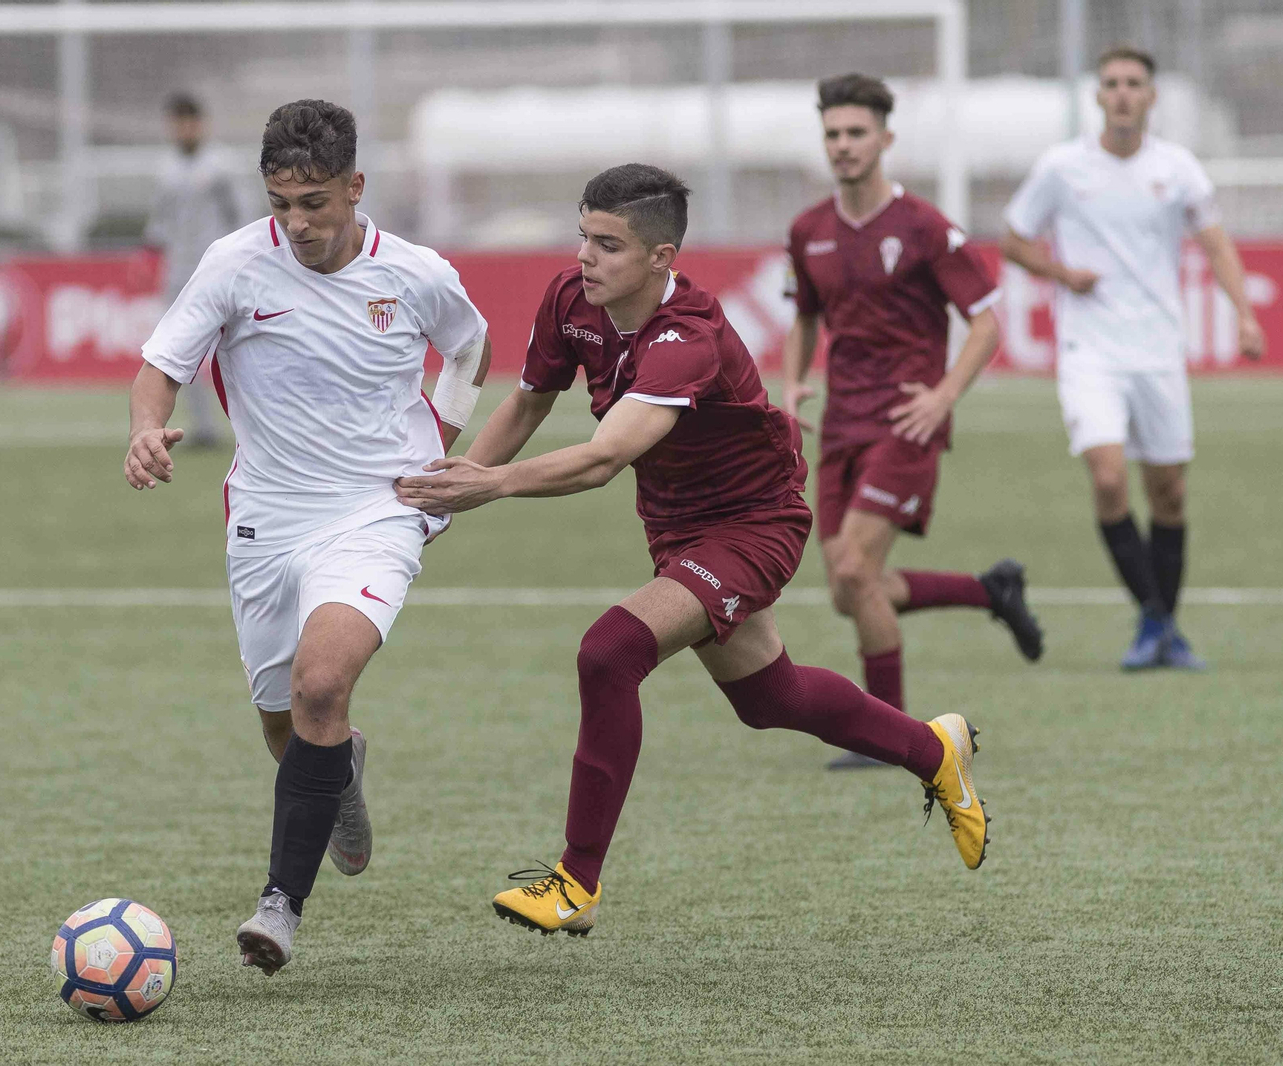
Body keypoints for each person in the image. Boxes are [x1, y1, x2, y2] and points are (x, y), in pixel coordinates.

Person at [396, 164, 988, 938]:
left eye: (609, 245)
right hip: (677, 526)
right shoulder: (572, 300)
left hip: (754, 524)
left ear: (660, 257)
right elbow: (531, 399)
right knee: (769, 700)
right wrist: (460, 483)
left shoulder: (688, 340)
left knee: (609, 654)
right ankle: (932, 748)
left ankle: (576, 882)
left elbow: (606, 458)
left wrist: (493, 486)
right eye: (583, 236)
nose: (586, 258)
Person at [126, 99, 492, 973]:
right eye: (282, 202)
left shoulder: (415, 272)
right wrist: (145, 428)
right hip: (266, 519)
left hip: (376, 510)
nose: (298, 223)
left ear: (356, 188)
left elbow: (472, 348)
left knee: (321, 684)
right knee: (285, 724)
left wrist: (440, 445)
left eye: (317, 202)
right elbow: (162, 365)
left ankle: (278, 909)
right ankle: (343, 771)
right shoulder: (234, 263)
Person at [782, 73, 1043, 770]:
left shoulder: (925, 226)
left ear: (885, 139)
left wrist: (944, 395)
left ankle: (892, 737)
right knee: (848, 587)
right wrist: (792, 384)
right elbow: (805, 315)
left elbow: (986, 321)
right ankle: (991, 590)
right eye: (833, 134)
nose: (843, 145)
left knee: (858, 570)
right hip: (841, 423)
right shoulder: (808, 231)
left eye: (856, 132)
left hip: (907, 422)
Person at [1001, 46, 1266, 670]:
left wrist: (1245, 314)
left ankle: (1160, 629)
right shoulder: (1062, 167)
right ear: (1097, 96)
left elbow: (1216, 243)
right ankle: (1155, 621)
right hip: (1089, 349)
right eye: (1112, 83)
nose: (1122, 93)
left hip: (1158, 350)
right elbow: (1014, 239)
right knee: (1110, 477)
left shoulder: (1177, 168)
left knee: (1169, 491)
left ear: (1151, 97)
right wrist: (1063, 272)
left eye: (1134, 84)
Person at [143, 92, 253, 447]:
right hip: (179, 273)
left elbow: (244, 216)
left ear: (200, 125)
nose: (184, 129)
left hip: (222, 273)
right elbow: (160, 222)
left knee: (244, 348)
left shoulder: (221, 166)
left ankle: (257, 427)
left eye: (190, 122)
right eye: (177, 123)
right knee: (176, 352)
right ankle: (203, 428)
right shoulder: (165, 169)